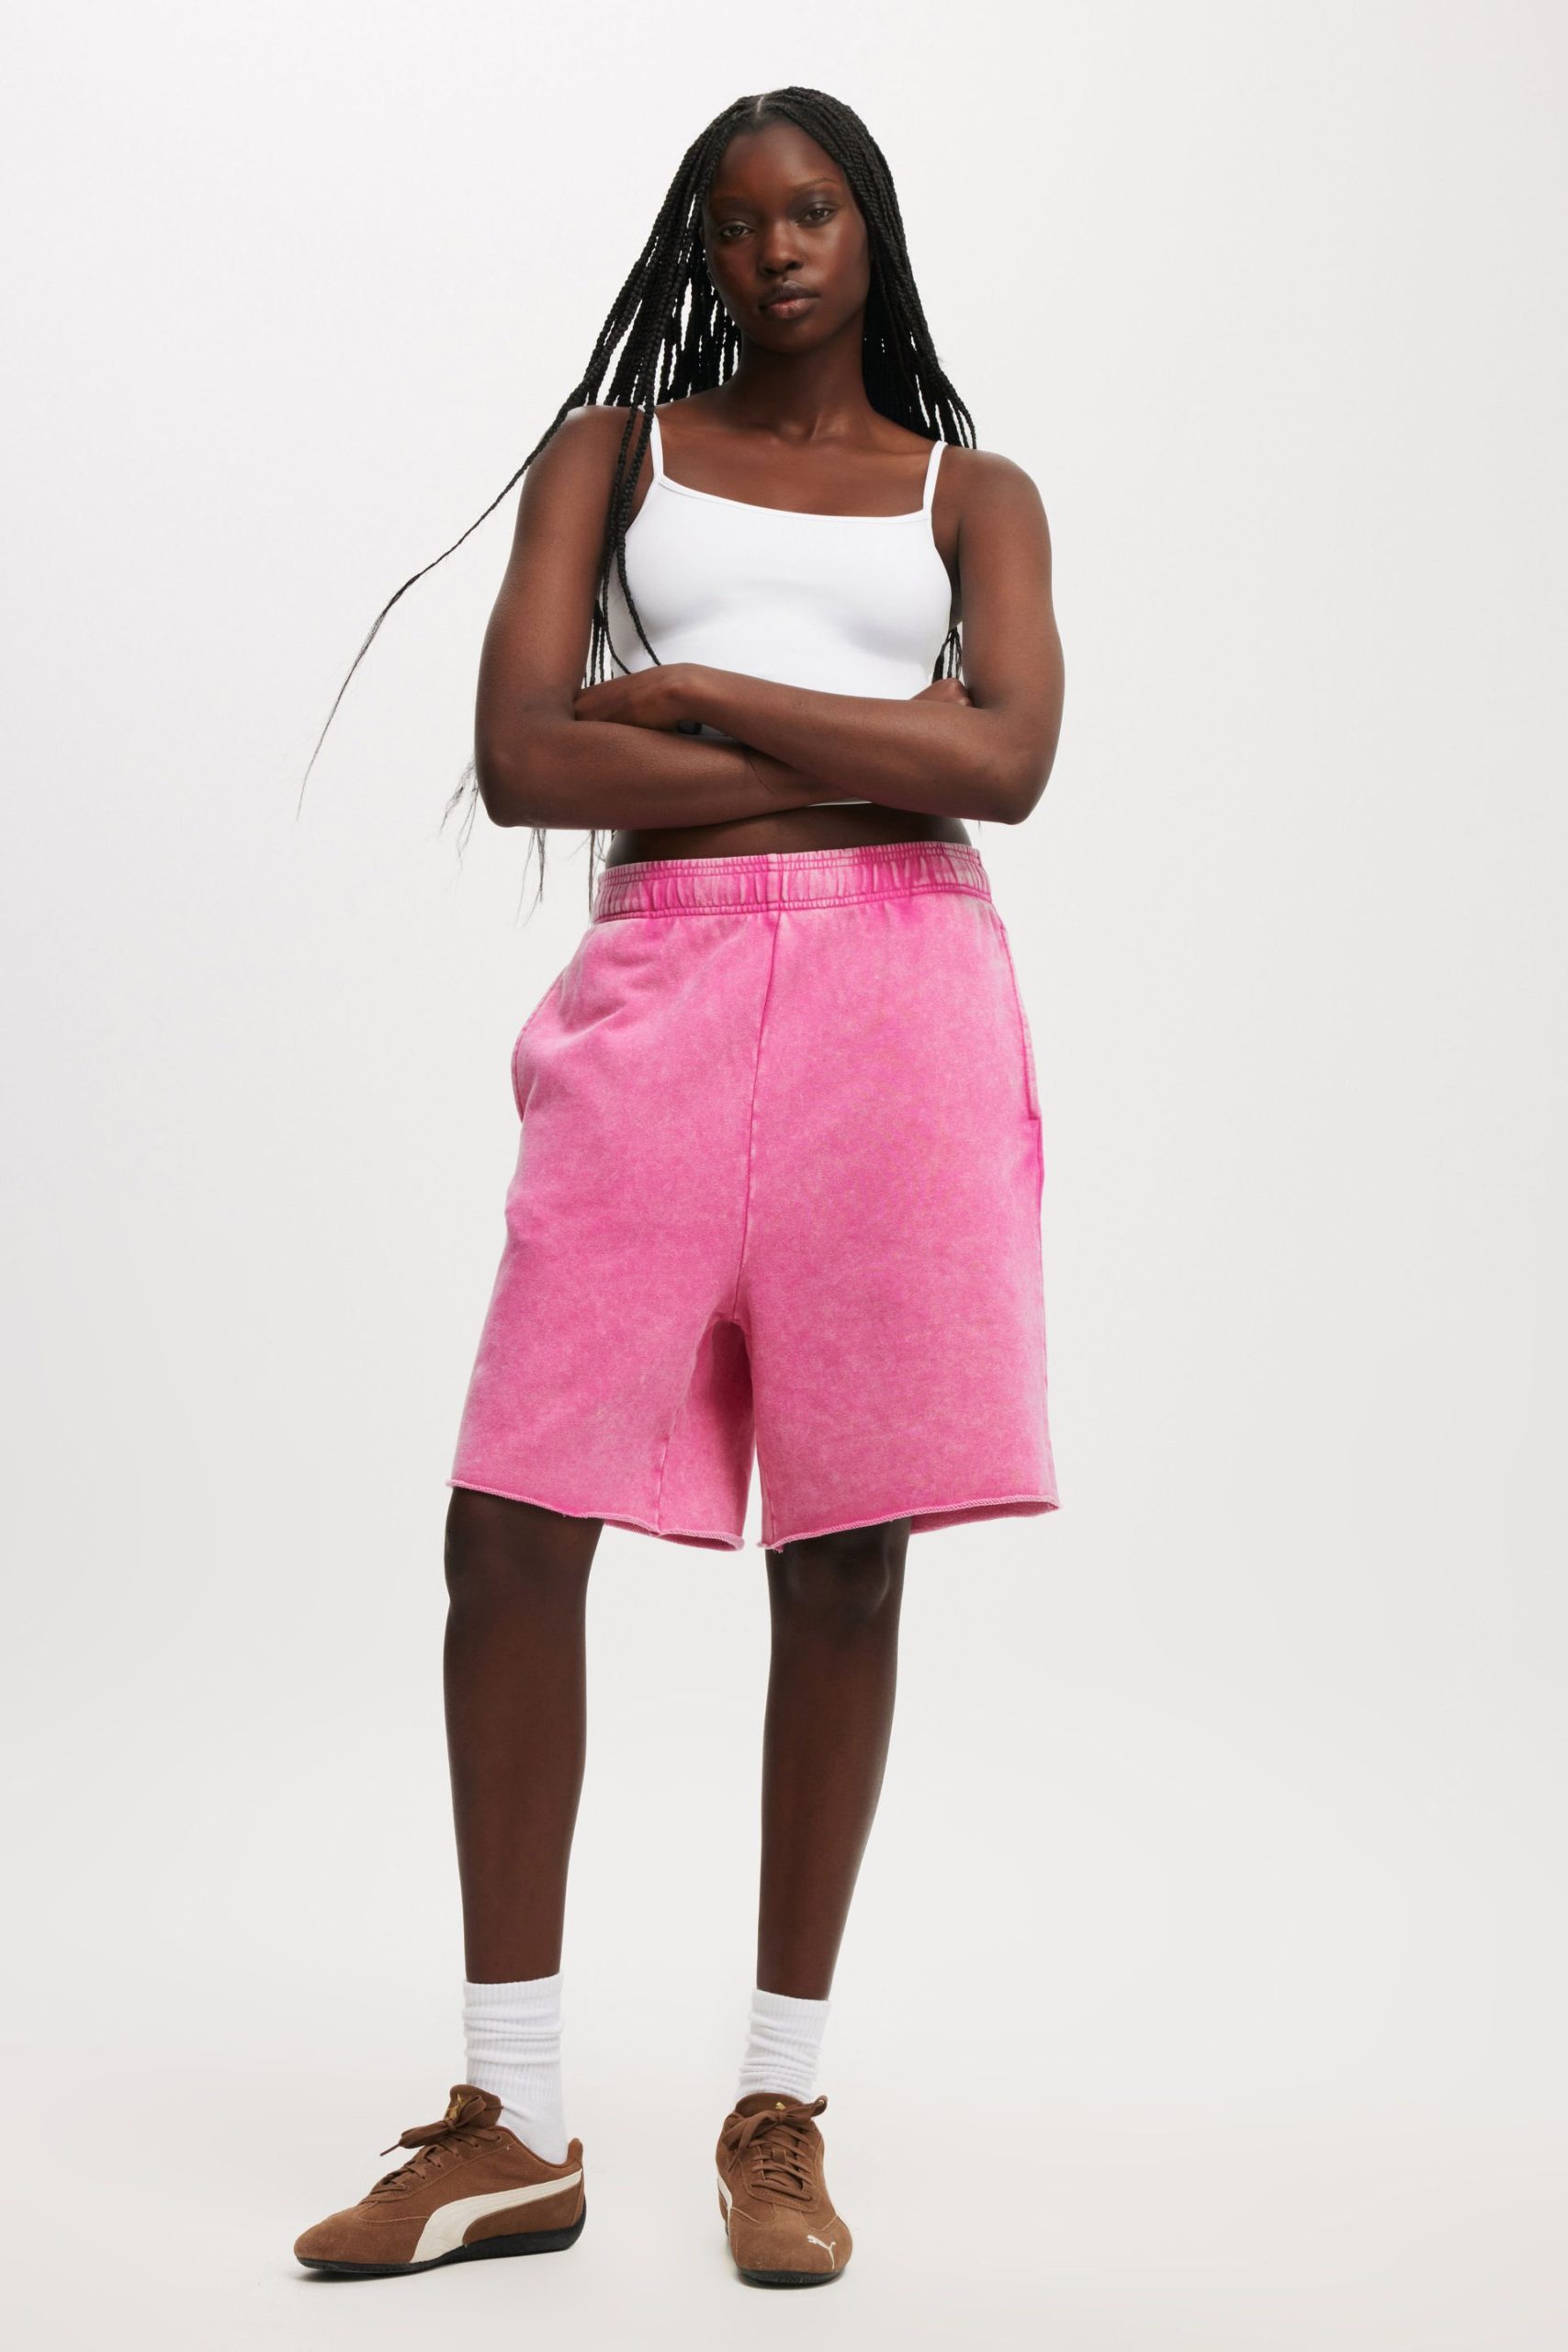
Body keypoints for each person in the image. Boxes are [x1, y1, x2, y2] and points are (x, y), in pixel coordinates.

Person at [292, 84, 1064, 2290]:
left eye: (811, 210)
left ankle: (775, 2104)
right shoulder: (606, 459)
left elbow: (1006, 759)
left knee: (846, 1555)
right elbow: (526, 751)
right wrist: (872, 731)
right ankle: (512, 2115)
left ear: (868, 231)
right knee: (508, 1519)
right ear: (697, 255)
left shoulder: (973, 493)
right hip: (655, 991)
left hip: (903, 1003)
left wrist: (704, 691)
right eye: (735, 224)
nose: (775, 249)